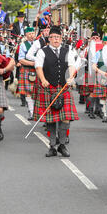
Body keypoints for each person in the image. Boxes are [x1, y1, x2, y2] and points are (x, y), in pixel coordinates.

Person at [34, 27, 79, 157]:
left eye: (58, 37)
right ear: (49, 39)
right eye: (53, 37)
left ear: (61, 38)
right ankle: (52, 146)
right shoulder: (42, 52)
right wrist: (42, 79)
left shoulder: (67, 51)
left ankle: (62, 145)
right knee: (51, 120)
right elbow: (38, 67)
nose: (56, 39)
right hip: (49, 88)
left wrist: (71, 77)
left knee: (65, 119)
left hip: (63, 87)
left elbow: (71, 66)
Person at [17, 26, 37, 120]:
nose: (31, 35)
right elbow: (21, 59)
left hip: (39, 70)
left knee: (38, 91)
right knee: (29, 92)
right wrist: (33, 63)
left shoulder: (38, 44)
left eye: (33, 33)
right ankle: (31, 112)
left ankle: (38, 111)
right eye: (29, 34)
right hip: (27, 70)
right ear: (26, 35)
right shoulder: (23, 45)